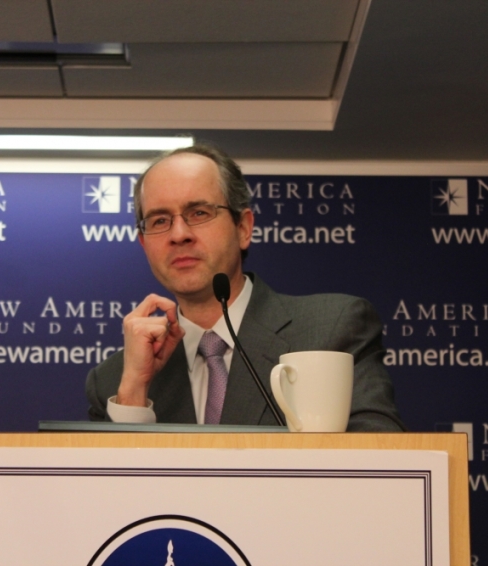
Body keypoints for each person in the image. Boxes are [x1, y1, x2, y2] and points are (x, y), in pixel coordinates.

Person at [85, 144, 404, 431]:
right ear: (143, 243)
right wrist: (133, 394)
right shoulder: (115, 381)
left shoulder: (331, 329)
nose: (178, 234)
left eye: (198, 213)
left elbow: (383, 454)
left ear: (243, 228)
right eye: (159, 221)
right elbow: (109, 492)